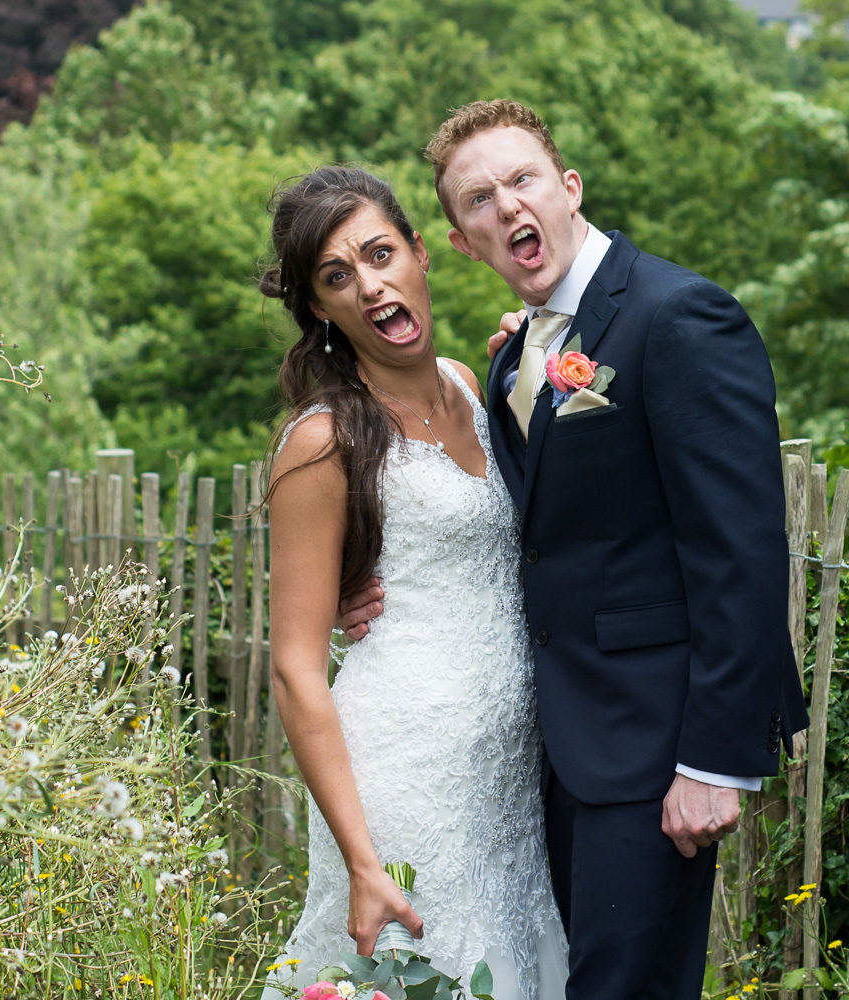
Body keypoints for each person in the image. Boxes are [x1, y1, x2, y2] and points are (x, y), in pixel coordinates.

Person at [337, 100, 810, 999]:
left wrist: (712, 762)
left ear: (568, 187)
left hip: (656, 745)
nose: (507, 207)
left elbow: (740, 550)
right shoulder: (520, 360)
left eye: (521, 180)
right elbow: (528, 529)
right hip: (552, 747)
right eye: (479, 200)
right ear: (462, 240)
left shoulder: (680, 317)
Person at [259, 165, 568, 1000]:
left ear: (422, 254)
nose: (368, 284)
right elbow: (294, 668)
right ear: (322, 309)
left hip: (506, 783)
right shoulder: (321, 444)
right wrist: (364, 859)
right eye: (336, 277)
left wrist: (530, 354)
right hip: (405, 781)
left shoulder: (476, 384)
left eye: (380, 253)